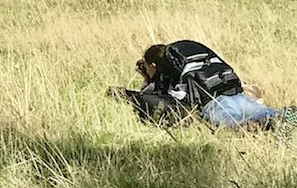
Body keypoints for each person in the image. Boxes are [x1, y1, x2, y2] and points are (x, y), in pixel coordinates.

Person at [108, 42, 292, 134]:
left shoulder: (172, 76)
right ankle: (286, 116)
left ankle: (269, 125)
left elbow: (179, 102)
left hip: (213, 102)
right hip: (233, 92)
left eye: (147, 66)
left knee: (235, 123)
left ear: (154, 65)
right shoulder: (187, 60)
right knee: (266, 111)